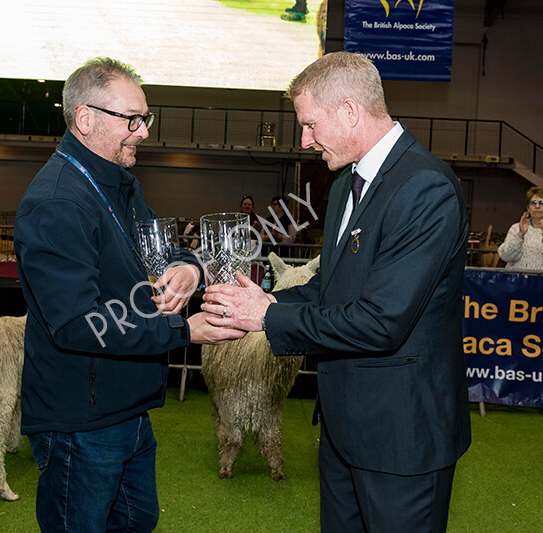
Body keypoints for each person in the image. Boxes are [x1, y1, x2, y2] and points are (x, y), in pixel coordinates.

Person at [199, 52, 471, 532]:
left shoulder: (424, 187)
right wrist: (258, 305)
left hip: (400, 441)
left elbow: (381, 321)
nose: (304, 140)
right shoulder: (347, 183)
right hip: (344, 431)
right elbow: (332, 287)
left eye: (310, 124)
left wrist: (268, 318)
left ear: (349, 111)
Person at [13, 57, 239, 533]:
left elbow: (157, 249)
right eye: (131, 120)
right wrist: (182, 328)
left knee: (137, 520)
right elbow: (80, 323)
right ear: (85, 118)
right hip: (82, 418)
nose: (142, 131)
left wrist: (187, 266)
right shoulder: (57, 201)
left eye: (145, 119)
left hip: (126, 404)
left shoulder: (119, 184)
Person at [497, 186, 543, 272]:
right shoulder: (516, 228)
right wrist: (520, 235)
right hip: (519, 282)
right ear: (528, 208)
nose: (537, 206)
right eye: (533, 203)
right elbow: (505, 256)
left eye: (542, 203)